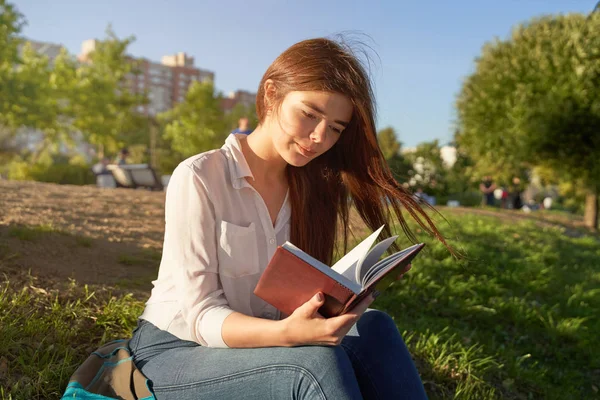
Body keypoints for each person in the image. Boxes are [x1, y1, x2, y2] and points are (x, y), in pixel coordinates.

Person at [130, 38, 452, 399]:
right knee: (312, 366)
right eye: (310, 114)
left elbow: (294, 300)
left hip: (259, 345)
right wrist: (290, 335)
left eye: (335, 128)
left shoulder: (313, 190)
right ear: (271, 94)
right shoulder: (201, 176)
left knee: (375, 327)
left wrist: (343, 301)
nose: (318, 137)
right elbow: (200, 317)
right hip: (176, 351)